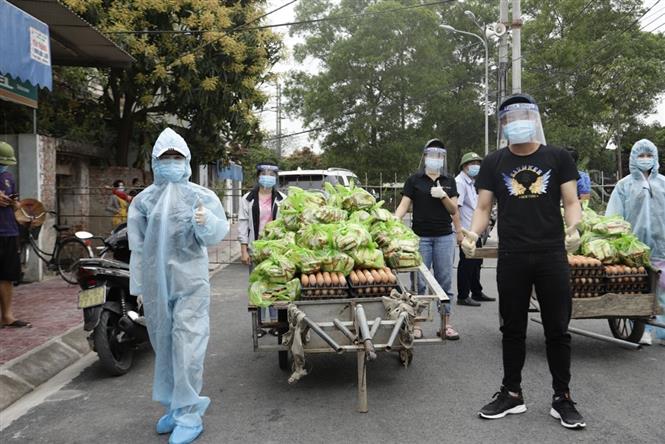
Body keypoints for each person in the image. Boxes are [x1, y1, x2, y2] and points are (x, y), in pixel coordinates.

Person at [461, 93, 585, 429]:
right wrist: (473, 234)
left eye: (523, 116)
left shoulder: (557, 158)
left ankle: (563, 397)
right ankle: (511, 393)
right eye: (510, 119)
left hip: (551, 254)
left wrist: (575, 226)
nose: (518, 123)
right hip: (512, 254)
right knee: (512, 327)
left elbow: (571, 201)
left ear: (535, 119)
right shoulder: (494, 162)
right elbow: (483, 208)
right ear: (503, 125)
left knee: (557, 328)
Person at [127, 128, 229, 444]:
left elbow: (216, 234)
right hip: (157, 286)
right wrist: (139, 288)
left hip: (190, 282)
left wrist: (204, 222)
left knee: (188, 346)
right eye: (165, 157)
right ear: (155, 162)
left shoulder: (202, 196)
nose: (171, 162)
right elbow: (138, 247)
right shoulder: (142, 201)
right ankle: (173, 406)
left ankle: (189, 414)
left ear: (186, 161)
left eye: (176, 157)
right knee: (164, 346)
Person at [395, 138, 460, 340]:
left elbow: (454, 209)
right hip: (420, 237)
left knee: (444, 282)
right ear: (425, 157)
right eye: (432, 155)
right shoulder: (415, 180)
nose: (435, 159)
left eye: (439, 156)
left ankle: (446, 324)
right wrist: (393, 222)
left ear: (443, 159)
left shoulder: (449, 181)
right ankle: (417, 324)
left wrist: (443, 196)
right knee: (419, 284)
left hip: (444, 237)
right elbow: (404, 205)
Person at [606, 139, 665, 346]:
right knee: (639, 287)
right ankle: (644, 329)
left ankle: (662, 329)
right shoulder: (624, 186)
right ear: (633, 158)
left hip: (662, 246)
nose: (646, 159)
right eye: (641, 155)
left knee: (663, 288)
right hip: (634, 248)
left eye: (649, 155)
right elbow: (613, 216)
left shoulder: (663, 183)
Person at [238, 162, 286, 338]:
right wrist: (244, 250)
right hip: (255, 248)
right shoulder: (247, 199)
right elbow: (243, 224)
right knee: (257, 285)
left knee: (274, 285)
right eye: (264, 174)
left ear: (276, 177)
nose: (268, 177)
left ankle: (274, 322)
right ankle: (258, 325)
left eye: (271, 174)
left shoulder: (282, 199)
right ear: (258, 177)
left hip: (275, 249)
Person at [452, 151, 495, 307]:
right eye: (472, 164)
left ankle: (476, 291)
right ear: (464, 166)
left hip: (474, 231)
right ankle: (463, 295)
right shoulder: (460, 183)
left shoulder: (472, 182)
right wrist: (459, 232)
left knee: (476, 262)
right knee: (467, 263)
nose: (476, 166)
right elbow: (456, 208)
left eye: (478, 164)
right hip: (466, 230)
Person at [0, 141, 31, 328]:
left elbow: (16, 202)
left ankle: (7, 315)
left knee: (7, 275)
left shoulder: (8, 178)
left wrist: (16, 205)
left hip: (9, 231)